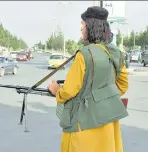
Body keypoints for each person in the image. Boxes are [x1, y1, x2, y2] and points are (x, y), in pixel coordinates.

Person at [48, 6, 128, 152]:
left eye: (82, 25)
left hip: (83, 124)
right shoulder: (115, 53)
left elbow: (69, 91)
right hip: (108, 123)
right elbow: (122, 85)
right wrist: (103, 99)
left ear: (91, 27)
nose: (81, 29)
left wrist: (56, 91)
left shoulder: (84, 54)